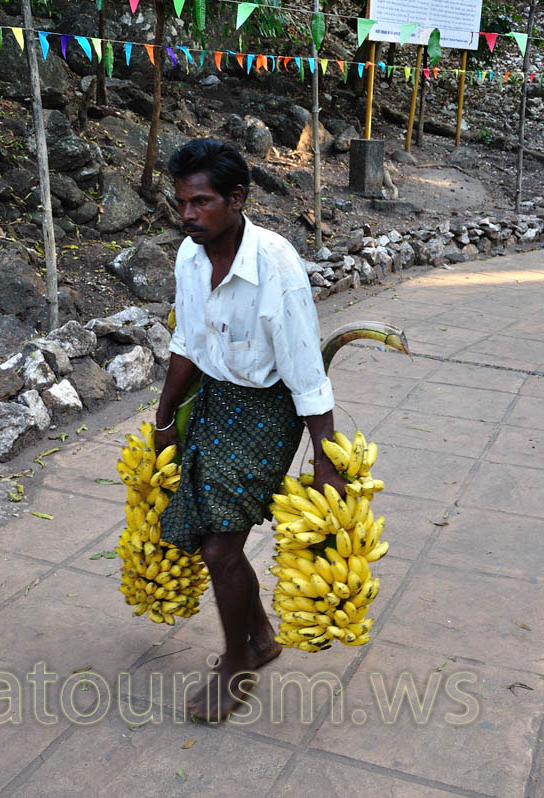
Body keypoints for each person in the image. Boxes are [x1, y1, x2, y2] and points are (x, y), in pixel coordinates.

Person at [152, 138, 348, 723]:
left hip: (269, 408)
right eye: (182, 201)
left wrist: (326, 461)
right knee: (197, 526)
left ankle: (236, 662)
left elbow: (307, 374)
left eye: (201, 202)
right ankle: (259, 637)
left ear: (238, 198)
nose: (187, 215)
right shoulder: (191, 255)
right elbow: (188, 342)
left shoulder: (276, 269)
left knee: (219, 546)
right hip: (213, 399)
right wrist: (164, 417)